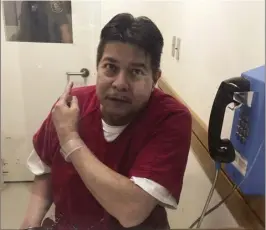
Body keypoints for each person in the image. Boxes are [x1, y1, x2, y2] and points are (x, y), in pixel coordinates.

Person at [21, 13, 192, 230]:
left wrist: (70, 139)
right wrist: (29, 226)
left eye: (136, 72)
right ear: (97, 67)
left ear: (155, 79)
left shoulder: (170, 118)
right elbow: (44, 169)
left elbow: (132, 210)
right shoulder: (71, 106)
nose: (120, 84)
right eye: (111, 67)